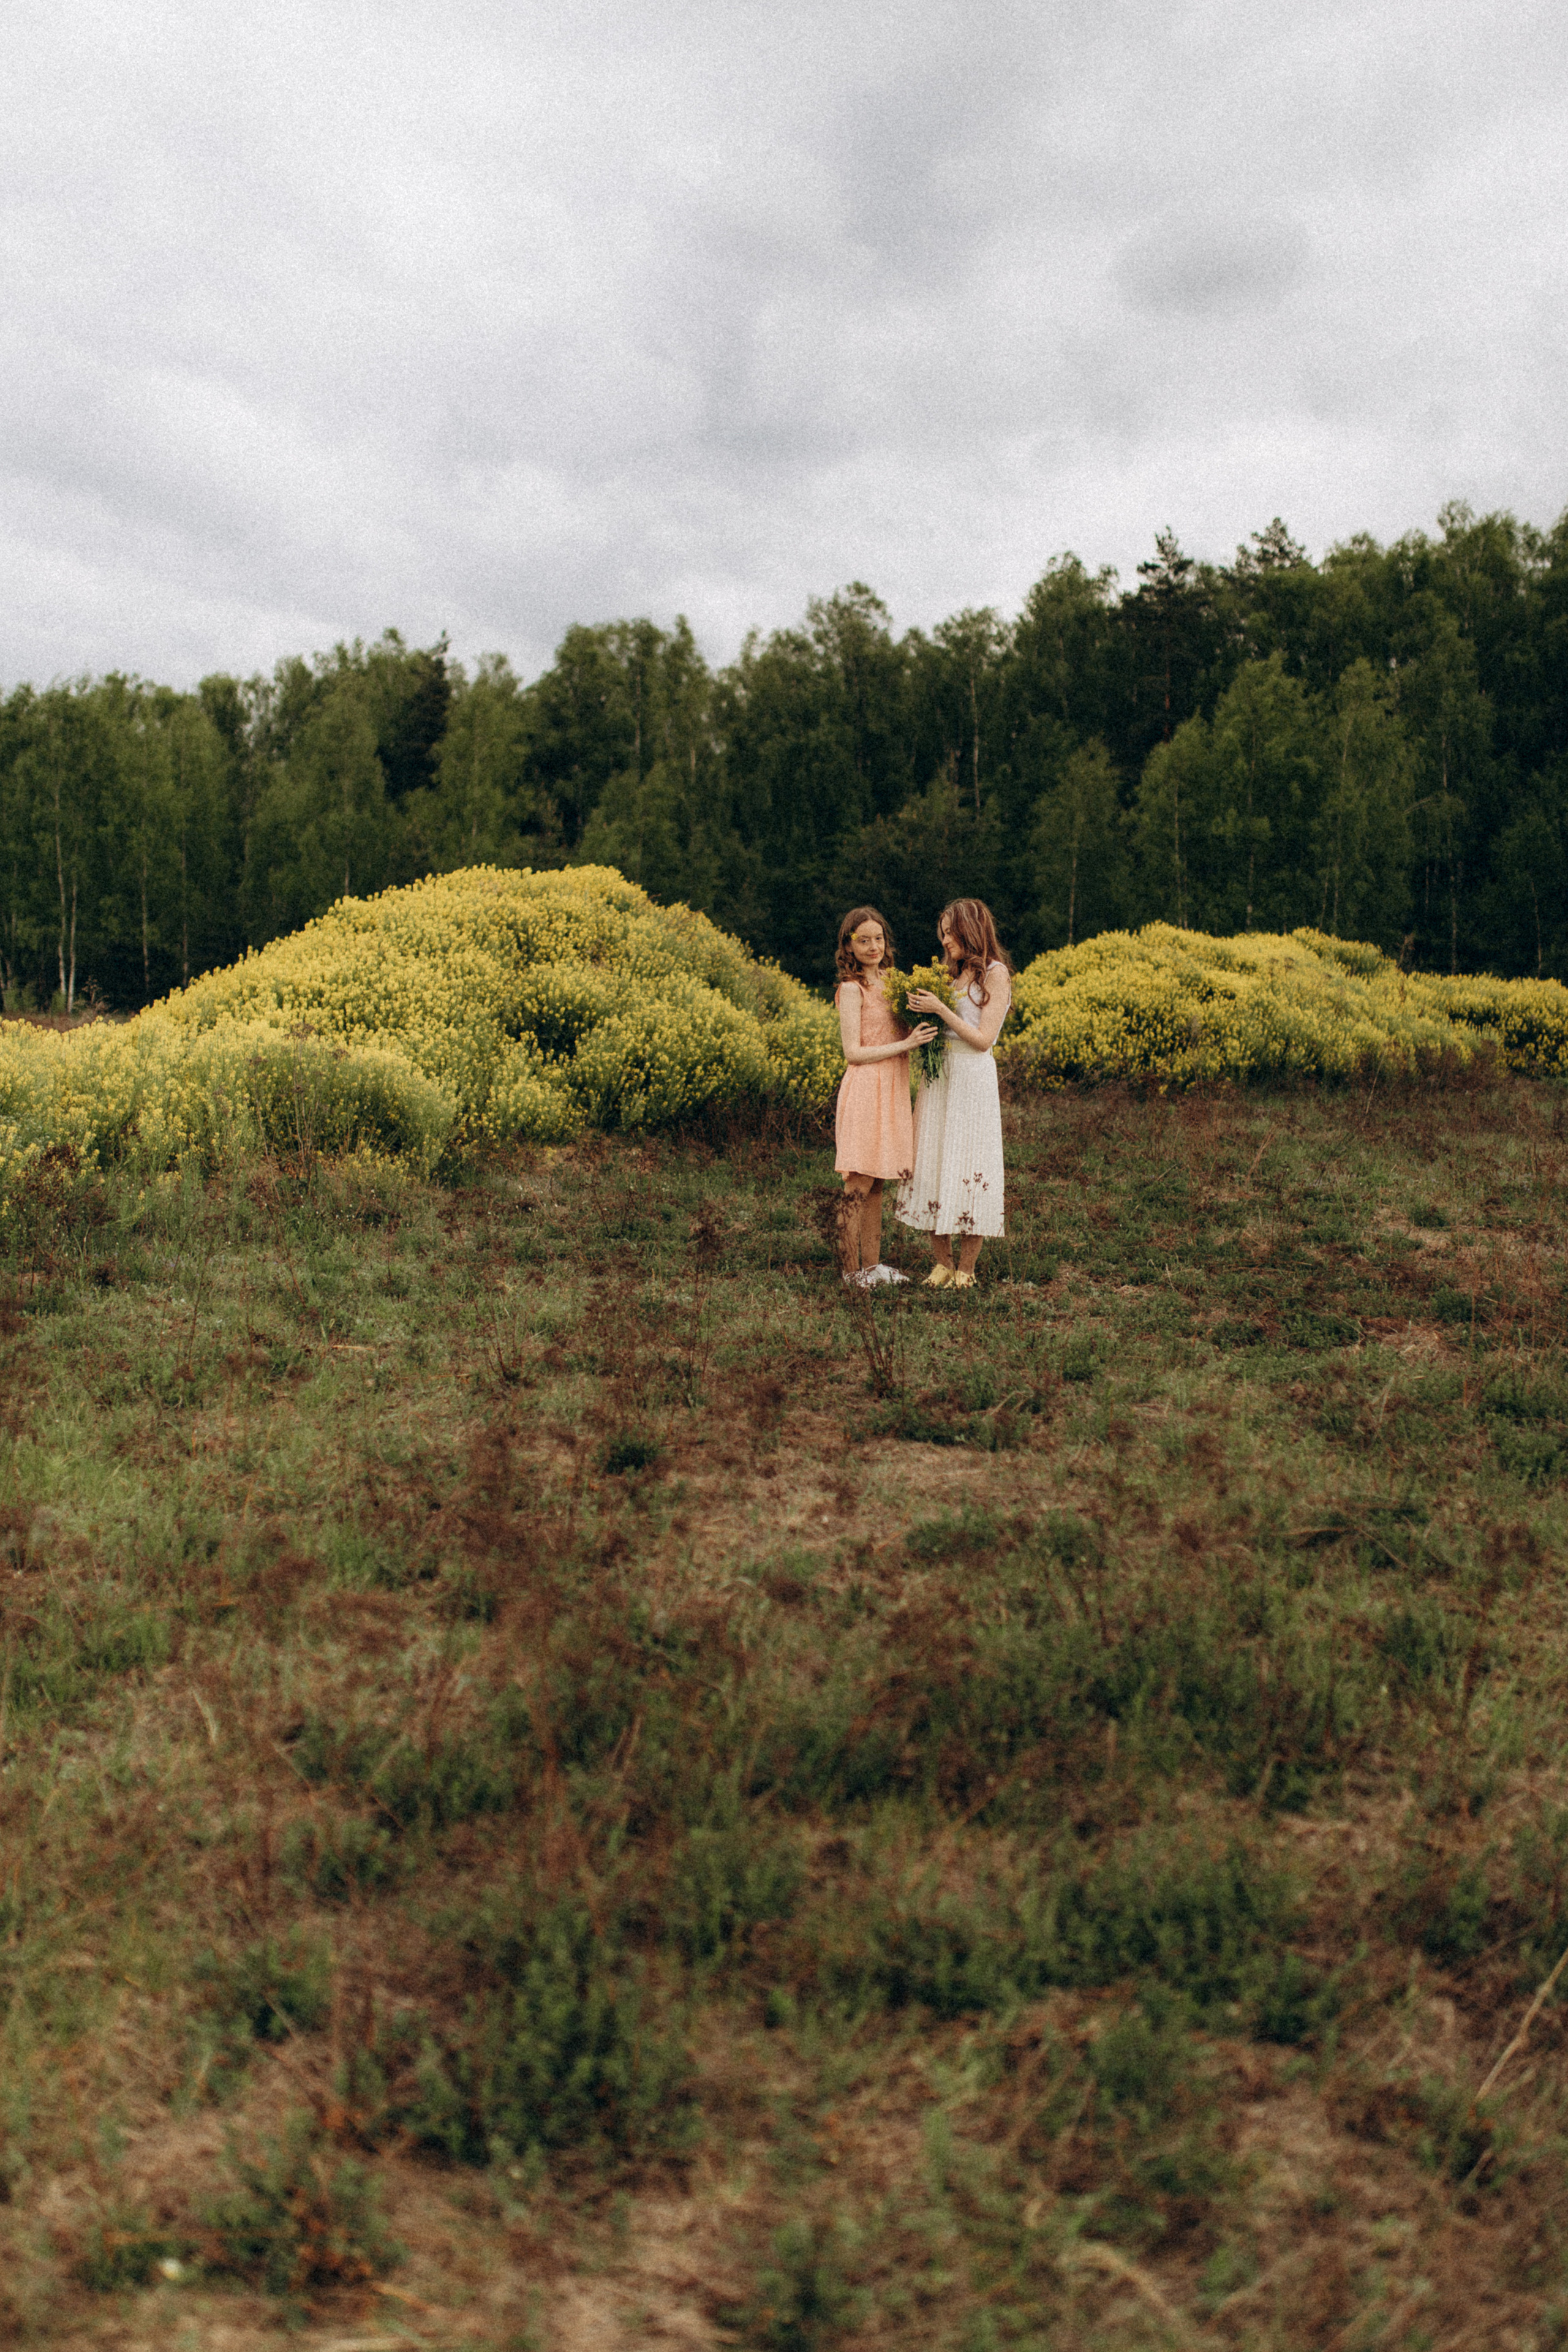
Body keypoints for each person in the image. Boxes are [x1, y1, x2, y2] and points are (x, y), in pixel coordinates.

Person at [898, 899, 1012, 1289]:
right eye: (942, 933)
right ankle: (942, 1264)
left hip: (973, 1078)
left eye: (951, 932)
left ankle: (967, 1269)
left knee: (970, 1162)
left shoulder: (995, 975)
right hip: (940, 1078)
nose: (945, 941)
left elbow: (984, 1039)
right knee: (933, 1158)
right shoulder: (949, 976)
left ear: (971, 930)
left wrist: (942, 1010)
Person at [832, 906, 937, 1286]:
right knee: (858, 1182)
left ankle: (871, 1267)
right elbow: (853, 1053)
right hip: (865, 1088)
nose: (873, 946)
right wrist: (906, 1044)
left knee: (877, 1181)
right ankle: (849, 1273)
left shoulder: (893, 983)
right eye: (864, 940)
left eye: (878, 938)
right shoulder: (851, 989)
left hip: (892, 1088)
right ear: (850, 945)